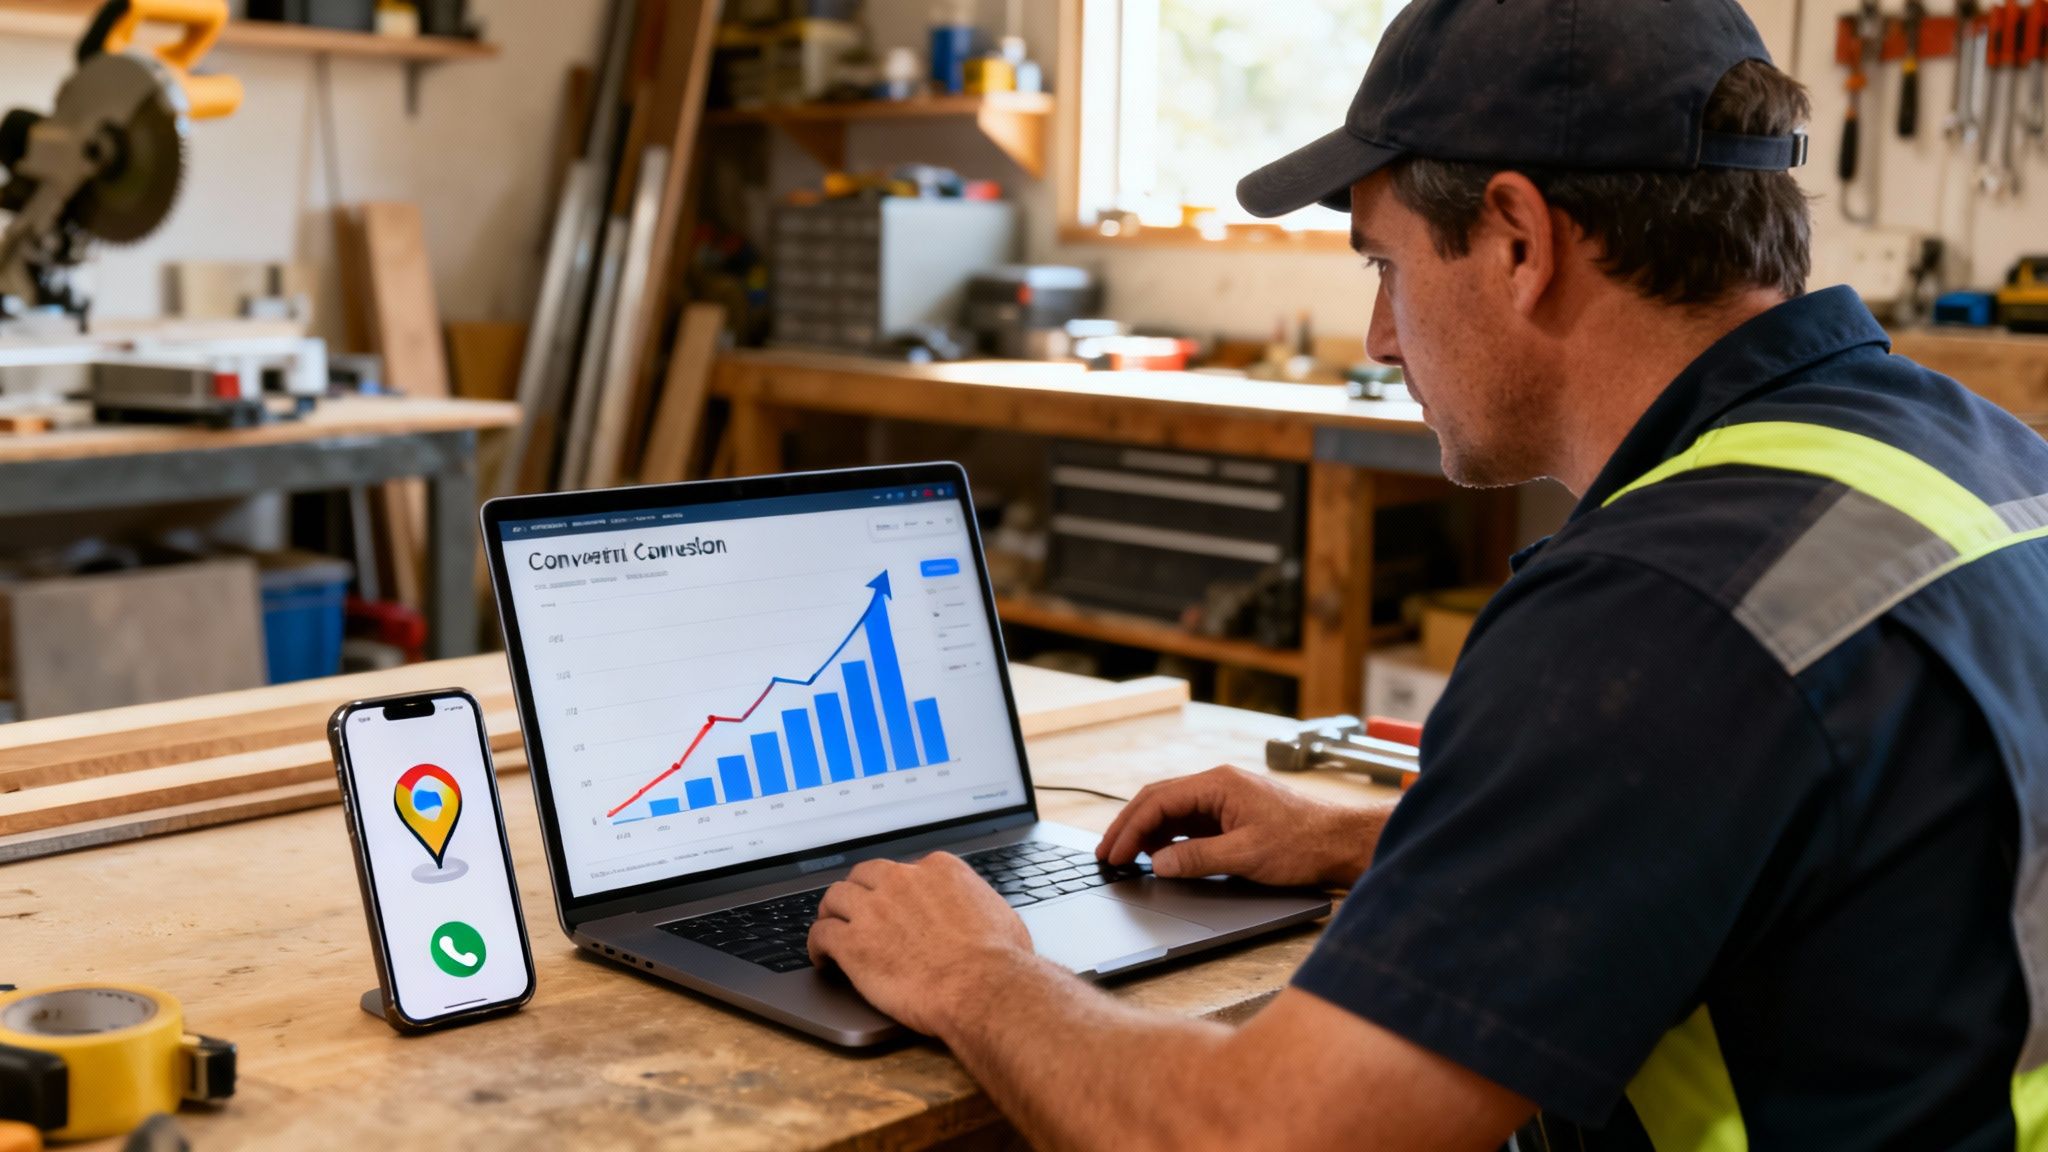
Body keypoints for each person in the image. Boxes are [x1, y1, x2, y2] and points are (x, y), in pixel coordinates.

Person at [806, 1, 2048, 1147]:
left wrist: (976, 971)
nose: (1379, 337)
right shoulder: (1976, 454)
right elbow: (1806, 829)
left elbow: (1256, 1137)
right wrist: (1370, 835)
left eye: (1384, 268)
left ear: (1516, 238)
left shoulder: (1658, 616)